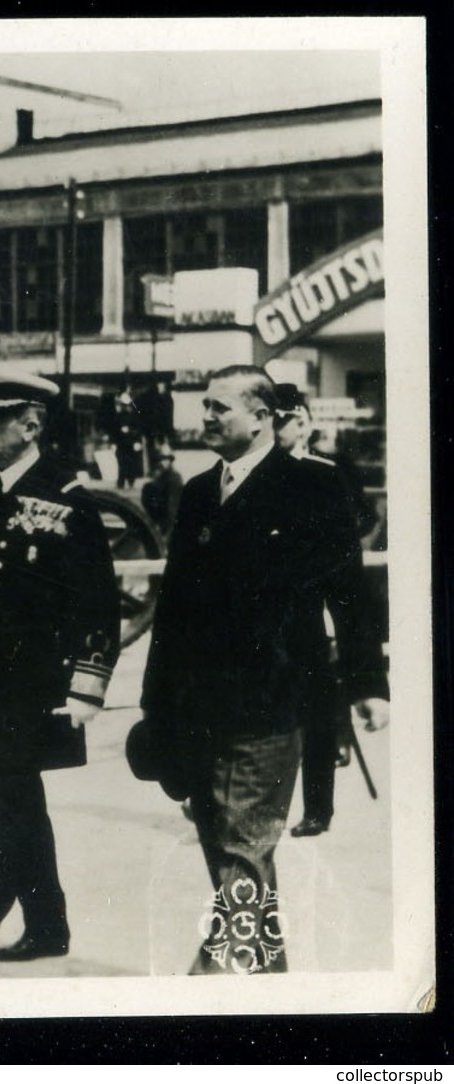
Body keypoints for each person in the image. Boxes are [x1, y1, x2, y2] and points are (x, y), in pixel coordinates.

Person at [139, 365, 388, 975]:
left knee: (243, 854)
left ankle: (205, 996)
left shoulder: (311, 487)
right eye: (206, 407)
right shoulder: (198, 490)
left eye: (220, 407)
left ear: (261, 416)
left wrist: (366, 685)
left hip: (273, 702)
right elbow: (172, 607)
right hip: (197, 708)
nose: (207, 418)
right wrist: (155, 703)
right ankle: (271, 995)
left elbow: (349, 593)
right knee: (229, 861)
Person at [0, 372, 122, 979]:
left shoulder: (68, 497)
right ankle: (48, 926)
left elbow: (98, 600)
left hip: (37, 685)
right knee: (18, 802)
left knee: (12, 811)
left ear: (32, 425)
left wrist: (87, 684)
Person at [271, 384, 383, 838]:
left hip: (309, 613)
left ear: (301, 422)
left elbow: (358, 525)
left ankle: (319, 807)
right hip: (264, 620)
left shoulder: (327, 474)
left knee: (317, 713)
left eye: (282, 421)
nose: (274, 430)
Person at [141, 449, 184, 538]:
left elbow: (173, 502)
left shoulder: (174, 477)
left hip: (169, 512)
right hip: (160, 512)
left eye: (166, 460)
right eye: (161, 460)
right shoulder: (159, 475)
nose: (163, 462)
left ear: (170, 461)